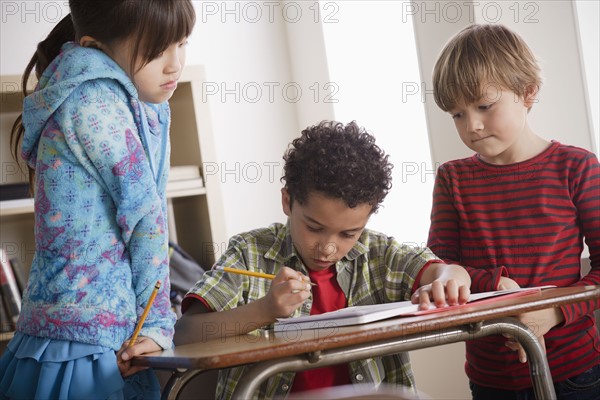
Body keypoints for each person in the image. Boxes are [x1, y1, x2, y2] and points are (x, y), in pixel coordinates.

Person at [174, 120, 472, 399]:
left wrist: (446, 281)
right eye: (315, 228)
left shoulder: (377, 254)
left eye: (348, 233)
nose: (329, 248)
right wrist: (265, 310)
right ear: (287, 201)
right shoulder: (249, 252)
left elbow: (447, 272)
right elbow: (186, 334)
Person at [0, 1, 196, 398]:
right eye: (158, 49)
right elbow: (146, 219)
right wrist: (158, 325)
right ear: (95, 47)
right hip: (86, 344)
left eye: (182, 43)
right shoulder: (95, 101)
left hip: (71, 332)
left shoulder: (83, 91)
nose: (175, 64)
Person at [427, 24, 600, 400]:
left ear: (528, 93)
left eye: (484, 106)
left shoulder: (577, 168)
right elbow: (437, 265)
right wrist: (493, 284)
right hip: (490, 379)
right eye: (457, 114)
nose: (471, 125)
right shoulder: (452, 179)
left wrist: (550, 314)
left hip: (574, 372)